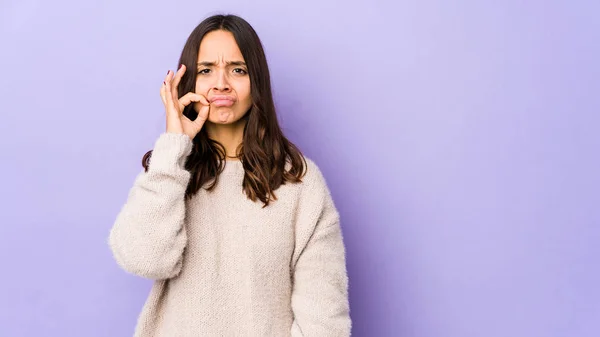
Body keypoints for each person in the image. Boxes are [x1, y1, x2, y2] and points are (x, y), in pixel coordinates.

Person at [108, 14, 351, 337]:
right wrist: (173, 145)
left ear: (257, 82)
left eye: (238, 70)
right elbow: (144, 259)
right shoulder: (170, 169)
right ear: (189, 82)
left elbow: (324, 319)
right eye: (207, 70)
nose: (221, 83)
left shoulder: (300, 182)